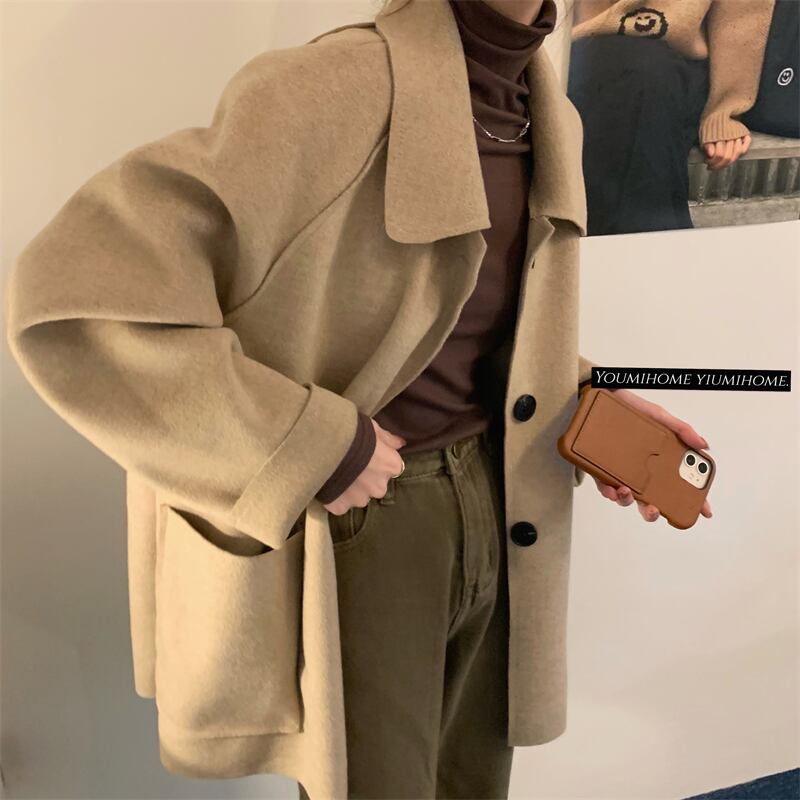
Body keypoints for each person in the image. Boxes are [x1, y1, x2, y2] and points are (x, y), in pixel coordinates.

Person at [5, 0, 712, 797]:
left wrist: (578, 396)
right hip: (378, 518)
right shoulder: (331, 87)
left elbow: (451, 321)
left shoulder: (545, 109)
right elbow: (74, 296)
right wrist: (305, 444)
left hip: (503, 498)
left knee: (470, 784)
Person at [568, 0, 775, 234]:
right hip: (573, 45)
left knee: (642, 81)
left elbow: (741, 14)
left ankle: (637, 245)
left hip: (669, 63)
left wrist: (724, 109)